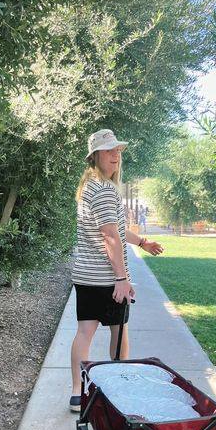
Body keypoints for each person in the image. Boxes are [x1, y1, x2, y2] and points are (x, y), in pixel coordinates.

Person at [69, 129, 163, 412]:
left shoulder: (89, 187)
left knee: (85, 332)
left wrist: (143, 242)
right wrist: (121, 278)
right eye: (109, 151)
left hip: (85, 276)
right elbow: (110, 236)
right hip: (106, 279)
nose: (115, 156)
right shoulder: (106, 191)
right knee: (119, 330)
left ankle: (77, 393)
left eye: (118, 151)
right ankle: (117, 388)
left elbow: (118, 231)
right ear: (95, 156)